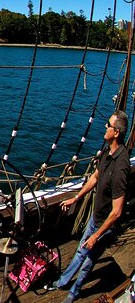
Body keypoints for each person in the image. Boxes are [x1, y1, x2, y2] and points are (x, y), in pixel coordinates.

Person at [45, 110, 131, 303]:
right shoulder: (108, 152)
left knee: (88, 262)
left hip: (104, 227)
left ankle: (73, 294)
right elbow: (95, 176)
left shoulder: (121, 167)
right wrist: (76, 198)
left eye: (108, 125)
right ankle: (62, 282)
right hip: (96, 217)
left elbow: (117, 212)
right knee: (80, 252)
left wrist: (96, 235)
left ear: (116, 132)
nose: (105, 127)